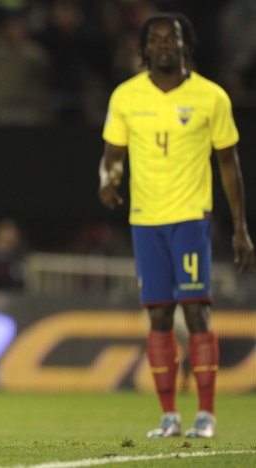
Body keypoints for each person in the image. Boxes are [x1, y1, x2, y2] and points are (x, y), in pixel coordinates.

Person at [98, 13, 255, 439]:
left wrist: (241, 228)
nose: (165, 44)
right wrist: (107, 181)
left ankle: (206, 414)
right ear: (145, 48)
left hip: (190, 217)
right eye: (157, 39)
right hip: (145, 221)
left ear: (188, 45)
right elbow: (113, 154)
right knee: (160, 316)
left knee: (198, 311)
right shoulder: (126, 96)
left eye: (174, 38)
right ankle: (169, 416)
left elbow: (229, 164)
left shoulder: (211, 97)